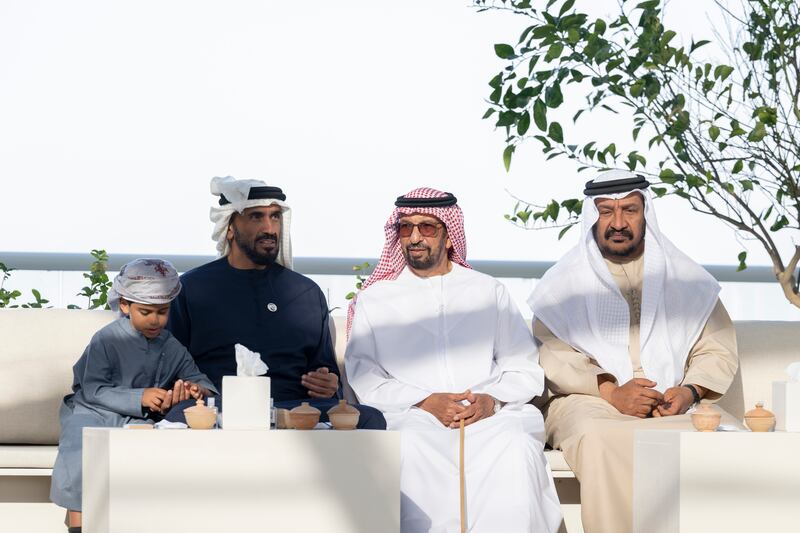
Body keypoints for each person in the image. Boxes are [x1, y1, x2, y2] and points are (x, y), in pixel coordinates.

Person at [528, 170, 740, 533]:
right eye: (606, 211)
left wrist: (688, 391)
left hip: (668, 401)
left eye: (629, 210)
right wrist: (612, 392)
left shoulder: (685, 278)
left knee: (729, 440)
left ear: (646, 213)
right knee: (599, 437)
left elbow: (715, 348)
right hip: (588, 400)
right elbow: (552, 355)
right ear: (592, 217)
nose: (618, 222)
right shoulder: (563, 283)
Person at [345, 187, 562, 533]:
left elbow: (522, 365)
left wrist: (491, 401)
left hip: (489, 417)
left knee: (516, 447)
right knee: (411, 448)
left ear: (449, 236)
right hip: (412, 415)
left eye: (427, 227)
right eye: (406, 228)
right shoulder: (376, 299)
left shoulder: (487, 291)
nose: (415, 237)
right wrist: (425, 401)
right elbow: (364, 374)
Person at [166, 176, 385, 429]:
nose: (269, 228)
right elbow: (172, 365)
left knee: (370, 418)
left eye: (275, 217)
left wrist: (327, 383)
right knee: (180, 415)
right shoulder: (192, 288)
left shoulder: (306, 293)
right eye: (256, 217)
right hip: (221, 407)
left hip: (295, 409)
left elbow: (324, 371)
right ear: (229, 227)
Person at [50, 259, 217, 533]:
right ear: (125, 306)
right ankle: (79, 525)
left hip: (137, 420)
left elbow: (200, 380)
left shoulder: (172, 346)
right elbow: (92, 389)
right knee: (80, 451)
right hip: (92, 412)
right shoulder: (106, 339)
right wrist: (140, 397)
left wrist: (194, 389)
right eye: (146, 311)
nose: (155, 320)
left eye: (162, 312)